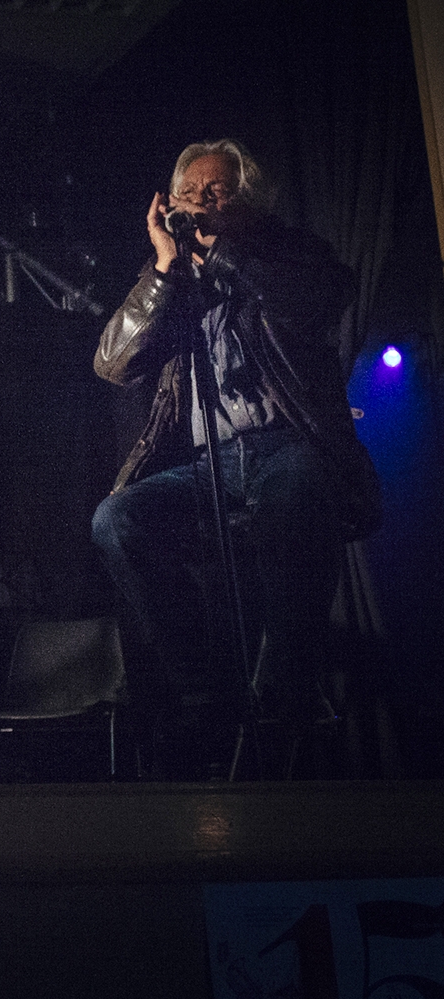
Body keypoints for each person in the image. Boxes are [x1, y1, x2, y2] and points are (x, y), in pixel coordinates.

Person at [90, 139, 380, 773]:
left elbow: (318, 301)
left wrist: (225, 253)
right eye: (188, 192)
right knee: (116, 521)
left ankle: (284, 683)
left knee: (297, 485)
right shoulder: (167, 278)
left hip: (286, 445)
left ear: (246, 200)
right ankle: (203, 677)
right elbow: (112, 362)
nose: (197, 203)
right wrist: (166, 270)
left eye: (213, 192)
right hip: (208, 464)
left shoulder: (287, 253)